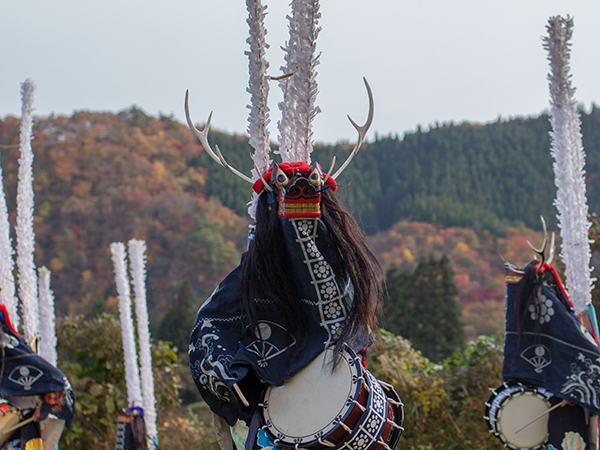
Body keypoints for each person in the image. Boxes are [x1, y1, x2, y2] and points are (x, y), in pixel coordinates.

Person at [189, 162, 385, 450]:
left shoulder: (335, 270)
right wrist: (237, 377)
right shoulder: (253, 276)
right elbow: (211, 332)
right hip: (264, 416)